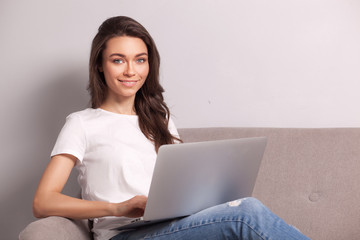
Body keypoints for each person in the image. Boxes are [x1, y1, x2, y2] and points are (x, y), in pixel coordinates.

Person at [33, 16, 310, 240]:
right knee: (247, 213)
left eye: (140, 59)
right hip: (125, 235)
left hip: (174, 226)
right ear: (100, 66)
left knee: (243, 209)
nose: (131, 70)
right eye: (118, 60)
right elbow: (43, 201)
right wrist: (117, 207)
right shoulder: (81, 123)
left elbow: (183, 187)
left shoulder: (159, 119)